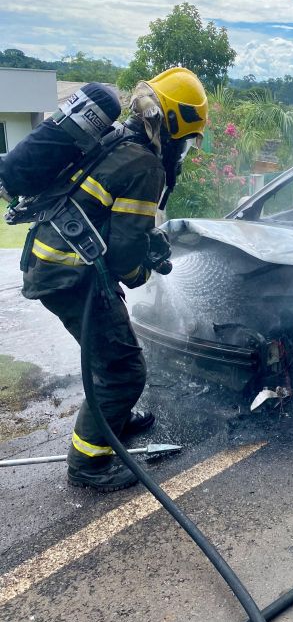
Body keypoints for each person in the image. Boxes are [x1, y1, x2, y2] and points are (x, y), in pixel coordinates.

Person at [20, 68, 208, 492]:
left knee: (111, 354)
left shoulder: (116, 138)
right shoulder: (145, 165)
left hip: (58, 261)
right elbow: (125, 260)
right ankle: (88, 466)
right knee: (121, 370)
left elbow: (111, 218)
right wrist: (145, 268)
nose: (185, 149)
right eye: (189, 139)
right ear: (175, 126)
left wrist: (146, 243)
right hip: (71, 275)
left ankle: (113, 422)